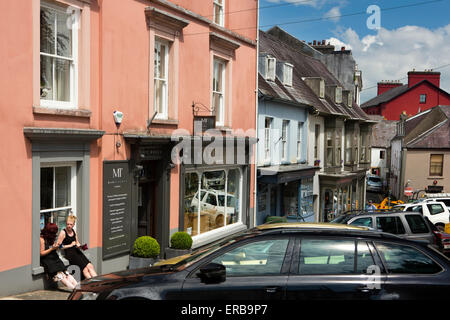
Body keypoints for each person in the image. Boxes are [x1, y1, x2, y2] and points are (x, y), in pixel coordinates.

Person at [57, 214, 97, 280]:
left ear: (73, 224)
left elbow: (77, 241)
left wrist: (79, 246)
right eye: (67, 224)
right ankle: (93, 284)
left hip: (77, 251)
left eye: (71, 224)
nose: (69, 226)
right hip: (70, 254)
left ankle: (99, 283)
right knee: (85, 269)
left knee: (90, 266)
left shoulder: (74, 231)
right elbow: (59, 246)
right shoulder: (63, 232)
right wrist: (70, 245)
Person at [40, 223, 78, 290]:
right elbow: (42, 253)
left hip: (54, 257)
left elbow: (54, 248)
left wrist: (57, 247)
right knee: (60, 276)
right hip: (47, 260)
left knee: (66, 273)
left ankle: (78, 287)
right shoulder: (42, 239)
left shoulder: (51, 237)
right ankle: (75, 290)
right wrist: (52, 249)